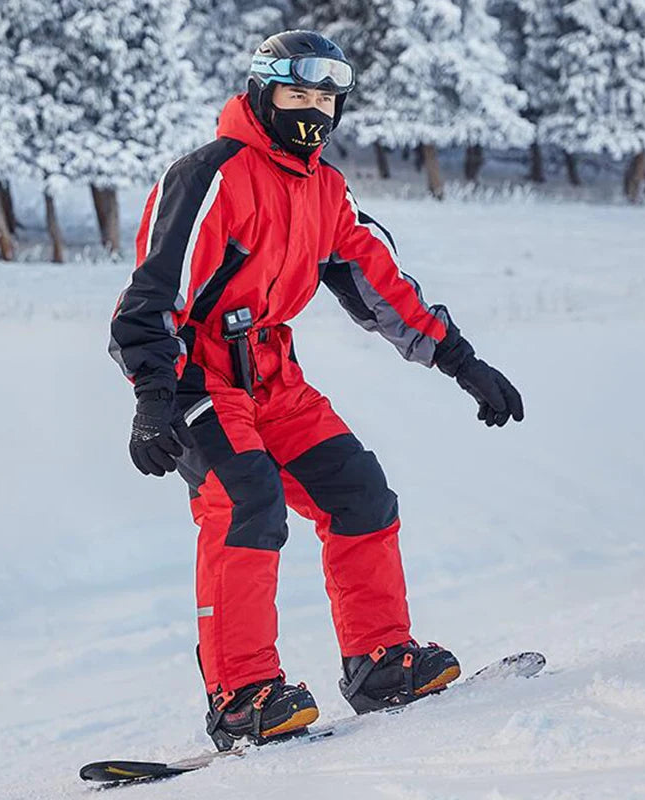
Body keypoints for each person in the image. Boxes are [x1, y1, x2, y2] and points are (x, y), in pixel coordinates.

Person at [109, 30, 524, 752]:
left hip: (275, 376)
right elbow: (150, 297)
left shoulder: (324, 187)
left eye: (326, 99)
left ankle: (380, 662)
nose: (312, 111)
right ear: (263, 93)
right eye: (297, 95)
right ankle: (242, 695)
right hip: (197, 376)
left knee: (359, 492)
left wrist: (463, 363)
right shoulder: (213, 174)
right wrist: (152, 397)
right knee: (247, 502)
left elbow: (383, 285)